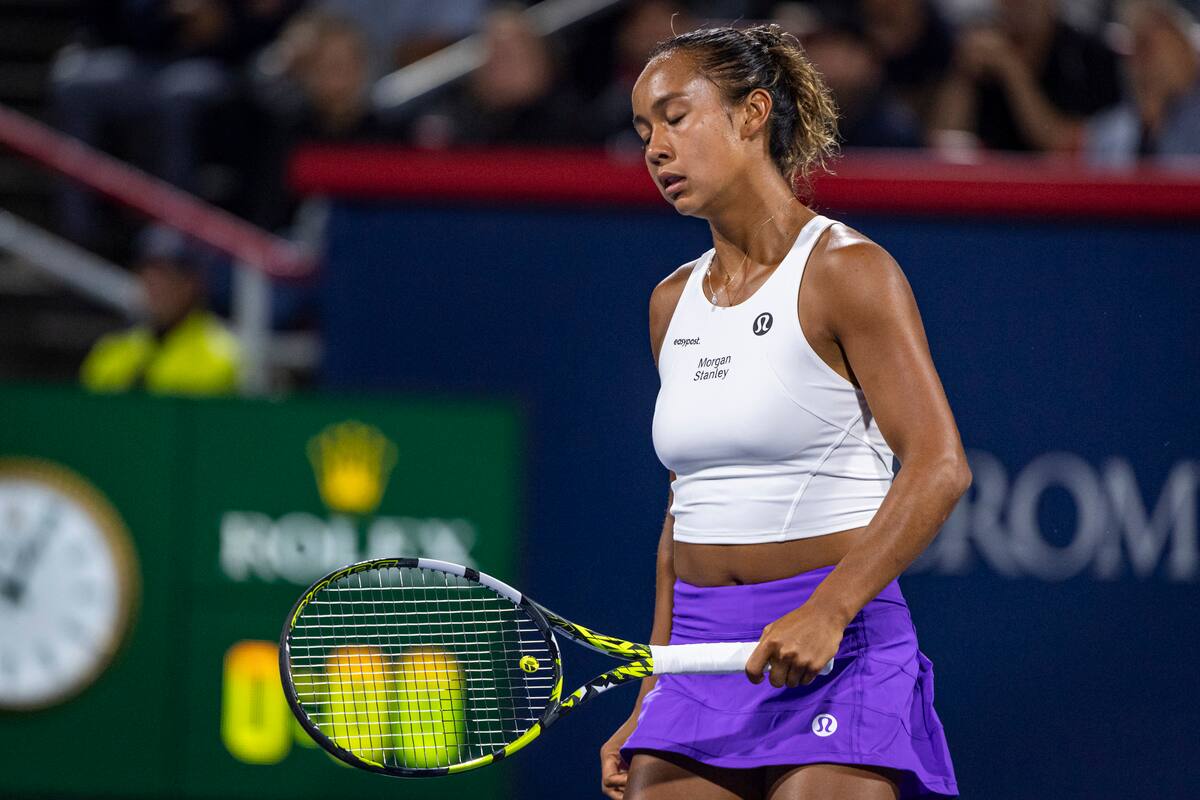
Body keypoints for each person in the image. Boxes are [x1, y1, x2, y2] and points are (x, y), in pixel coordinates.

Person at [602, 24, 969, 799]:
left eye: (675, 116)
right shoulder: (670, 302)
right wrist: (652, 684)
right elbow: (683, 509)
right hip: (700, 652)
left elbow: (939, 466)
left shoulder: (848, 271)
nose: (655, 149)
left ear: (751, 113)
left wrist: (828, 611)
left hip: (836, 643)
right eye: (643, 131)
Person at [929, 0, 1121, 153]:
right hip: (988, 189)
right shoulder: (981, 49)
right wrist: (963, 76)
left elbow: (1068, 147)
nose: (1017, 4)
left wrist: (1013, 71)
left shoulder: (1087, 55)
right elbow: (943, 142)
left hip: (1061, 193)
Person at [81, 225, 241, 396]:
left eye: (166, 275)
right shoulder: (112, 351)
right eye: (148, 275)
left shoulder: (220, 356)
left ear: (191, 284)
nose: (155, 286)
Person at [1085, 0, 1200, 168]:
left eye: (1148, 46)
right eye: (1133, 46)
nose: (1139, 62)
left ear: (1185, 49)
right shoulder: (1107, 135)